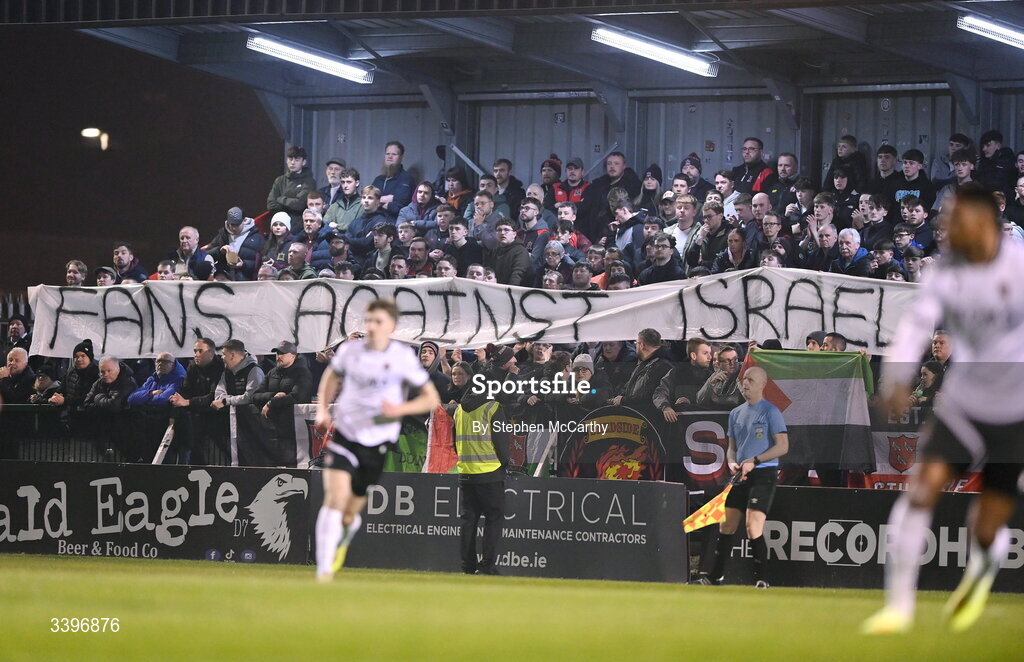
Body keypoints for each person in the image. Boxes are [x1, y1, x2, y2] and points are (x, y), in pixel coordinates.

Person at [862, 186, 1024, 634]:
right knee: (921, 490)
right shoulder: (945, 273)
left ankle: (982, 570)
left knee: (988, 525)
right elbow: (915, 328)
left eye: (956, 217)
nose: (946, 226)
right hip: (965, 404)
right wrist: (895, 378)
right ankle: (898, 608)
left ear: (986, 222)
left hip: (1016, 412)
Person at [313, 299, 441, 581]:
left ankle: (347, 529)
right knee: (334, 498)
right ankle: (323, 571)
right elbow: (330, 377)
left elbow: (430, 398)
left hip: (378, 440)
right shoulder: (350, 351)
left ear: (392, 327)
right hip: (346, 433)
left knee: (349, 512)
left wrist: (401, 409)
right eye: (368, 320)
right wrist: (323, 408)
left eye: (378, 322)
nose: (371, 326)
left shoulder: (402, 358)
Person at [701, 366, 788, 588]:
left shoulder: (771, 412)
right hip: (740, 474)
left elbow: (783, 447)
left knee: (753, 527)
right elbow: (732, 448)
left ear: (762, 384)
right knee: (726, 526)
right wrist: (731, 461)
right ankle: (715, 576)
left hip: (763, 474)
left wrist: (755, 461)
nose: (745, 383)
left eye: (750, 379)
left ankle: (762, 579)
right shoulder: (735, 413)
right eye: (743, 379)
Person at [453, 374, 509, 574]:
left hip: (466, 472)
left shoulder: (460, 409)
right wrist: (505, 464)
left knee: (468, 520)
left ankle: (467, 566)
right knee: (494, 518)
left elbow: (454, 441)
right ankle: (486, 566)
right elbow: (502, 443)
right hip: (490, 473)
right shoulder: (493, 408)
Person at [251, 341, 314, 467]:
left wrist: (271, 403)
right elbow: (255, 396)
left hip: (295, 430)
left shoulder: (302, 373)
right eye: (277, 353)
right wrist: (273, 396)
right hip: (272, 428)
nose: (278, 356)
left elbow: (297, 397)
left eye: (282, 353)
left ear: (293, 356)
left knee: (292, 465)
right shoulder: (272, 372)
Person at [267, 146, 318, 233]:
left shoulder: (309, 182)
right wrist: (289, 204)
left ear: (304, 162)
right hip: (278, 223)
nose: (293, 162)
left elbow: (299, 205)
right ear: (287, 160)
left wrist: (280, 199)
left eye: (297, 160)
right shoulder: (280, 180)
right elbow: (271, 204)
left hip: (297, 226)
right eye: (290, 159)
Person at [372, 141, 415, 220]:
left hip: (394, 224)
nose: (390, 157)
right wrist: (385, 200)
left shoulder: (406, 179)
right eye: (387, 154)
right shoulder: (378, 180)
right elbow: (368, 202)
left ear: (401, 157)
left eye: (394, 154)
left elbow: (397, 207)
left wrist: (377, 201)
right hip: (374, 221)